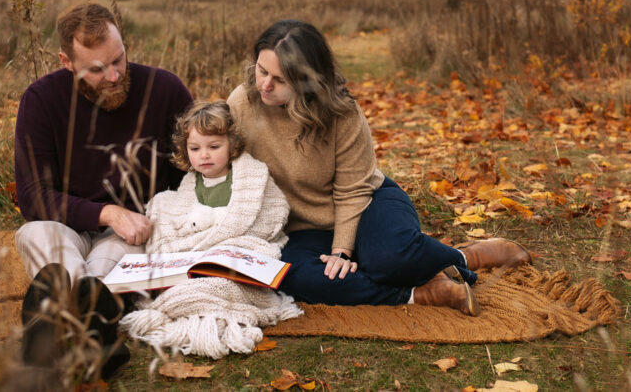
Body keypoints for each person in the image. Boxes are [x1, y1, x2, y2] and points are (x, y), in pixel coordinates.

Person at [227, 19, 532, 315]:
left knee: (391, 258)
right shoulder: (241, 103)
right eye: (262, 70)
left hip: (366, 204)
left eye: (280, 80)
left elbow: (352, 190)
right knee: (286, 277)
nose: (265, 85)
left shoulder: (341, 112)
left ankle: (464, 256)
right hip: (300, 229)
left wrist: (340, 252)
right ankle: (419, 293)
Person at [12, 2, 192, 378]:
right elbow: (32, 196)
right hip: (63, 224)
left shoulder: (165, 90)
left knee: (101, 270)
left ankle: (53, 333)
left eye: (119, 59)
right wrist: (106, 212)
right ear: (67, 61)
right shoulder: (42, 100)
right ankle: (93, 337)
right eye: (96, 69)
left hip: (130, 231)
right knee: (36, 236)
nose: (113, 75)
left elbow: (191, 175)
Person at [121, 100, 300, 358]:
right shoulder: (190, 183)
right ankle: (186, 301)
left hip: (232, 249)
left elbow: (268, 213)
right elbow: (180, 221)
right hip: (197, 254)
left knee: (222, 282)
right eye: (195, 148)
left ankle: (215, 308)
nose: (204, 155)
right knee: (161, 204)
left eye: (214, 147)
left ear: (232, 145)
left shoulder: (250, 177)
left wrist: (218, 232)